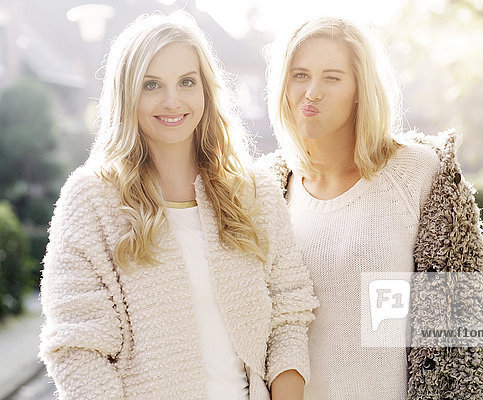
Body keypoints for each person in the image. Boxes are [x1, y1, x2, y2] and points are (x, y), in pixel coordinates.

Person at [39, 11, 318, 400]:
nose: (172, 101)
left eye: (187, 82)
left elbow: (289, 310)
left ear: (205, 89)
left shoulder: (254, 193)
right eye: (152, 84)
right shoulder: (91, 200)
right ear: (127, 94)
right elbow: (77, 348)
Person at [261, 17, 483, 399]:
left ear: (360, 89)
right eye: (300, 75)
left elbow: (468, 336)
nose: (312, 92)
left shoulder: (422, 174)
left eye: (332, 77)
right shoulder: (268, 190)